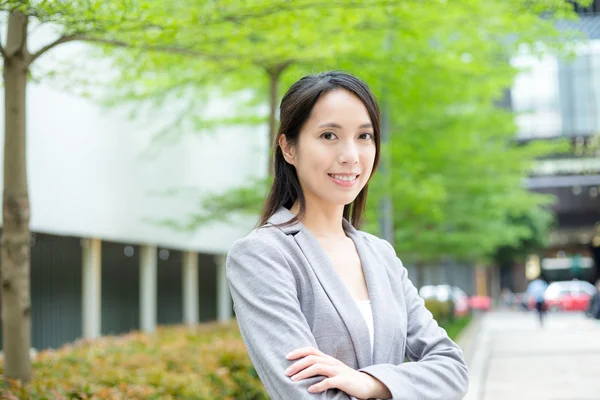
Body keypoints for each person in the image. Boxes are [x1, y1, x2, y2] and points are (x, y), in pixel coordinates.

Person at [226, 71, 469, 399]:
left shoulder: (380, 254)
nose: (350, 155)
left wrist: (372, 383)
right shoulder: (262, 255)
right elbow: (307, 393)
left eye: (364, 136)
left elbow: (452, 369)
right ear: (288, 148)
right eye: (329, 136)